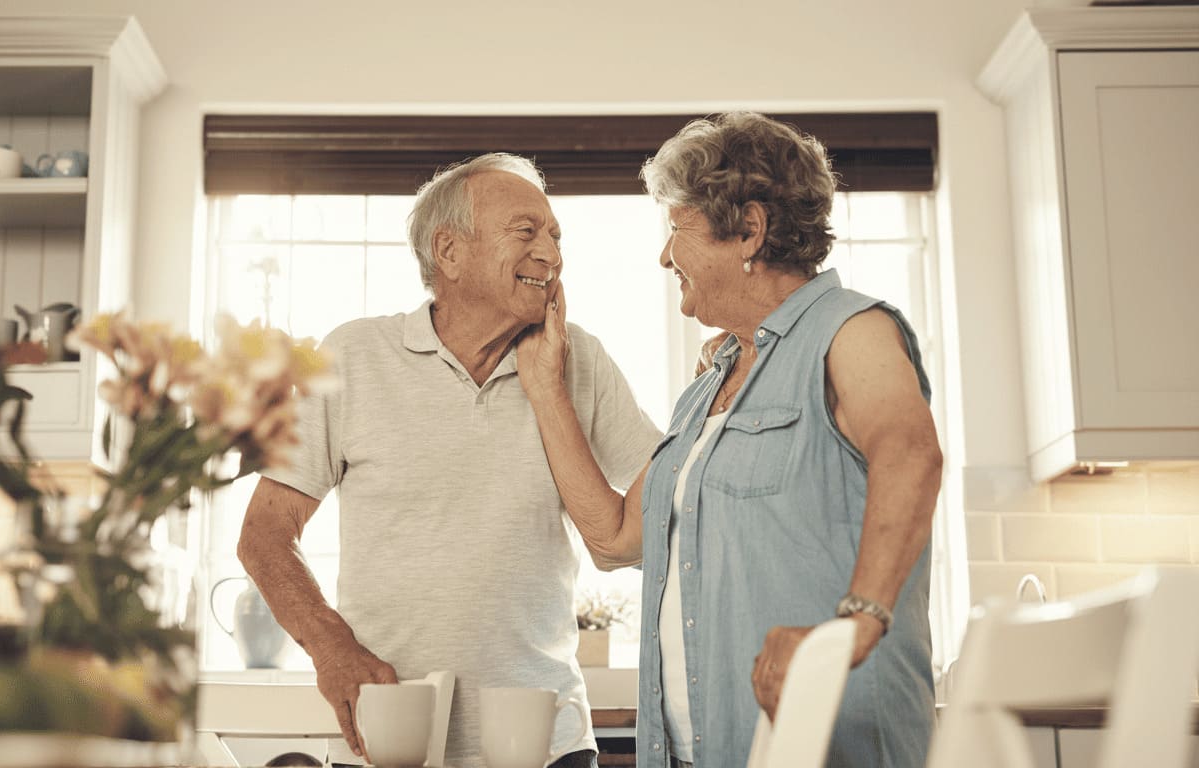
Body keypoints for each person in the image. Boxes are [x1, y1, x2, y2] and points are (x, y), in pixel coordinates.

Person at [517, 112, 943, 767]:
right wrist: (547, 389)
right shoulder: (708, 386)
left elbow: (910, 454)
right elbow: (614, 540)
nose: (665, 256)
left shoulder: (849, 329)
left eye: (678, 229)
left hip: (824, 747)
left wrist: (860, 620)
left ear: (749, 229)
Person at [237, 153, 662, 768]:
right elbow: (264, 535)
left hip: (548, 744)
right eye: (526, 232)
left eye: (555, 236)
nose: (551, 253)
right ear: (450, 251)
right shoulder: (354, 356)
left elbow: (658, 508)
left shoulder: (580, 359)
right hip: (389, 739)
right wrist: (333, 649)